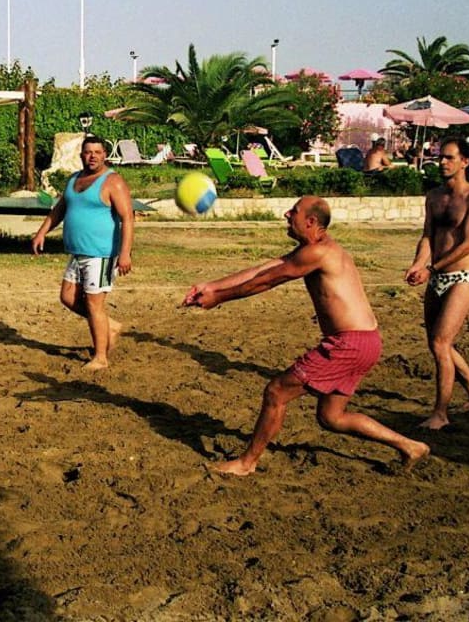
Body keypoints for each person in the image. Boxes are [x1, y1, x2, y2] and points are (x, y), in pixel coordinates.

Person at [183, 196, 429, 476]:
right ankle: (410, 446)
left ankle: (246, 463)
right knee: (332, 417)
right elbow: (263, 269)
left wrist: (219, 298)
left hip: (348, 343)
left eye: (294, 211)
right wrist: (211, 286)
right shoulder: (314, 249)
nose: (287, 214)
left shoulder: (319, 253)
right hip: (366, 341)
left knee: (276, 391)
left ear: (311, 221)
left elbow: (267, 281)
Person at [404, 138, 469, 429]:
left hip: (461, 277)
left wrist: (431, 268)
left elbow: (468, 244)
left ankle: (440, 413)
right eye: (441, 157)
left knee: (441, 342)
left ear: (465, 162)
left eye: (449, 157)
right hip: (436, 275)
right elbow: (428, 235)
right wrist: (418, 264)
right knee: (437, 343)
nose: (442, 162)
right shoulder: (434, 196)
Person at [31, 135, 134, 370]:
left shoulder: (113, 181)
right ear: (81, 155)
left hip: (101, 253)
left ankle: (100, 357)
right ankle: (110, 326)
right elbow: (60, 209)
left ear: (104, 155)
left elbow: (128, 218)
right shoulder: (74, 179)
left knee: (94, 304)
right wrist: (41, 232)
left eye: (97, 152)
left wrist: (125, 253)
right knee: (67, 297)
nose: (92, 156)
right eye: (88, 152)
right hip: (77, 252)